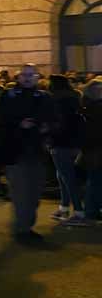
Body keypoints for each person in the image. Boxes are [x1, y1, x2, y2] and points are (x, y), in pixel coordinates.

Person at [0, 64, 53, 244]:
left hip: (37, 151)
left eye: (31, 75)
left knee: (34, 194)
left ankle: (26, 224)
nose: (27, 78)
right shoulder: (8, 95)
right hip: (16, 152)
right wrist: (18, 124)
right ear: (18, 77)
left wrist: (47, 127)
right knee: (20, 193)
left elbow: (55, 118)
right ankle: (23, 229)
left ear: (37, 77)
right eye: (24, 75)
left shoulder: (44, 97)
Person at [46, 74, 86, 225]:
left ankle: (78, 211)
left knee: (67, 177)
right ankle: (63, 207)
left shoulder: (55, 100)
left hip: (61, 143)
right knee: (62, 175)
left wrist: (49, 135)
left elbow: (56, 123)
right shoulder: (75, 97)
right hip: (75, 143)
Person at [81, 78, 102, 221]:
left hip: (91, 148)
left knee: (94, 179)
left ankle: (91, 210)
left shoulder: (86, 105)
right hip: (96, 148)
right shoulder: (96, 107)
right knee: (96, 180)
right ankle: (91, 210)